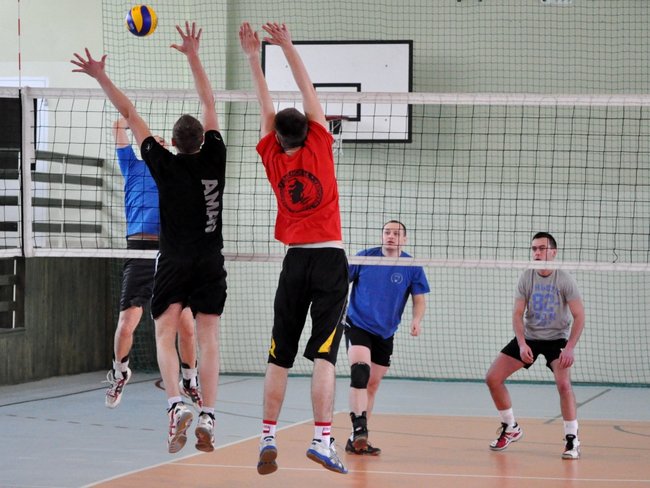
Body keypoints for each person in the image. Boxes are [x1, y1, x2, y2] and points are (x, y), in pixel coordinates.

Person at [72, 21, 227, 454]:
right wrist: (194, 56)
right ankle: (209, 415)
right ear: (203, 139)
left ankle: (175, 404)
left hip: (172, 260)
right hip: (209, 260)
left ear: (172, 142)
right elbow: (209, 101)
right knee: (208, 338)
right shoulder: (216, 157)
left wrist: (101, 76)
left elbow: (129, 113)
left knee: (164, 333)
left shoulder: (162, 164)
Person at [239, 22, 348, 475]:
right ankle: (322, 439)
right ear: (308, 129)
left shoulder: (270, 153)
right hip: (329, 258)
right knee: (324, 355)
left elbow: (266, 107)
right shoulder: (320, 141)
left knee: (278, 355)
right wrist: (286, 46)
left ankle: (267, 436)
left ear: (278, 138)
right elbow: (308, 90)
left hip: (295, 260)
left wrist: (253, 57)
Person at [104, 117, 202, 412]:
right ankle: (120, 373)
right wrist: (132, 121)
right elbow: (118, 128)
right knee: (126, 325)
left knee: (187, 326)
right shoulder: (132, 165)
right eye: (153, 141)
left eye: (162, 143)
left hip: (169, 251)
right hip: (139, 251)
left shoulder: (172, 170)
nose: (157, 144)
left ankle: (190, 379)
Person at [485, 232, 585, 459]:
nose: (537, 253)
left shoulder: (564, 279)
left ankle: (572, 439)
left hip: (557, 339)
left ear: (553, 252)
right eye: (534, 249)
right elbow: (517, 314)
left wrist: (570, 347)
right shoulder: (526, 277)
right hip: (530, 337)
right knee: (492, 378)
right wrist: (521, 344)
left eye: (542, 248)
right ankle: (511, 427)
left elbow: (579, 316)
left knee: (564, 385)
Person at [344, 220, 430, 455]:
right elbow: (340, 282)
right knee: (360, 372)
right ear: (382, 236)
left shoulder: (411, 265)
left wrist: (416, 320)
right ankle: (360, 427)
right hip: (358, 324)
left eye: (396, 233)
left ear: (404, 239)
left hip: (385, 332)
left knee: (372, 384)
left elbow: (419, 300)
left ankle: (355, 439)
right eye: (387, 232)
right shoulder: (365, 258)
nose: (391, 236)